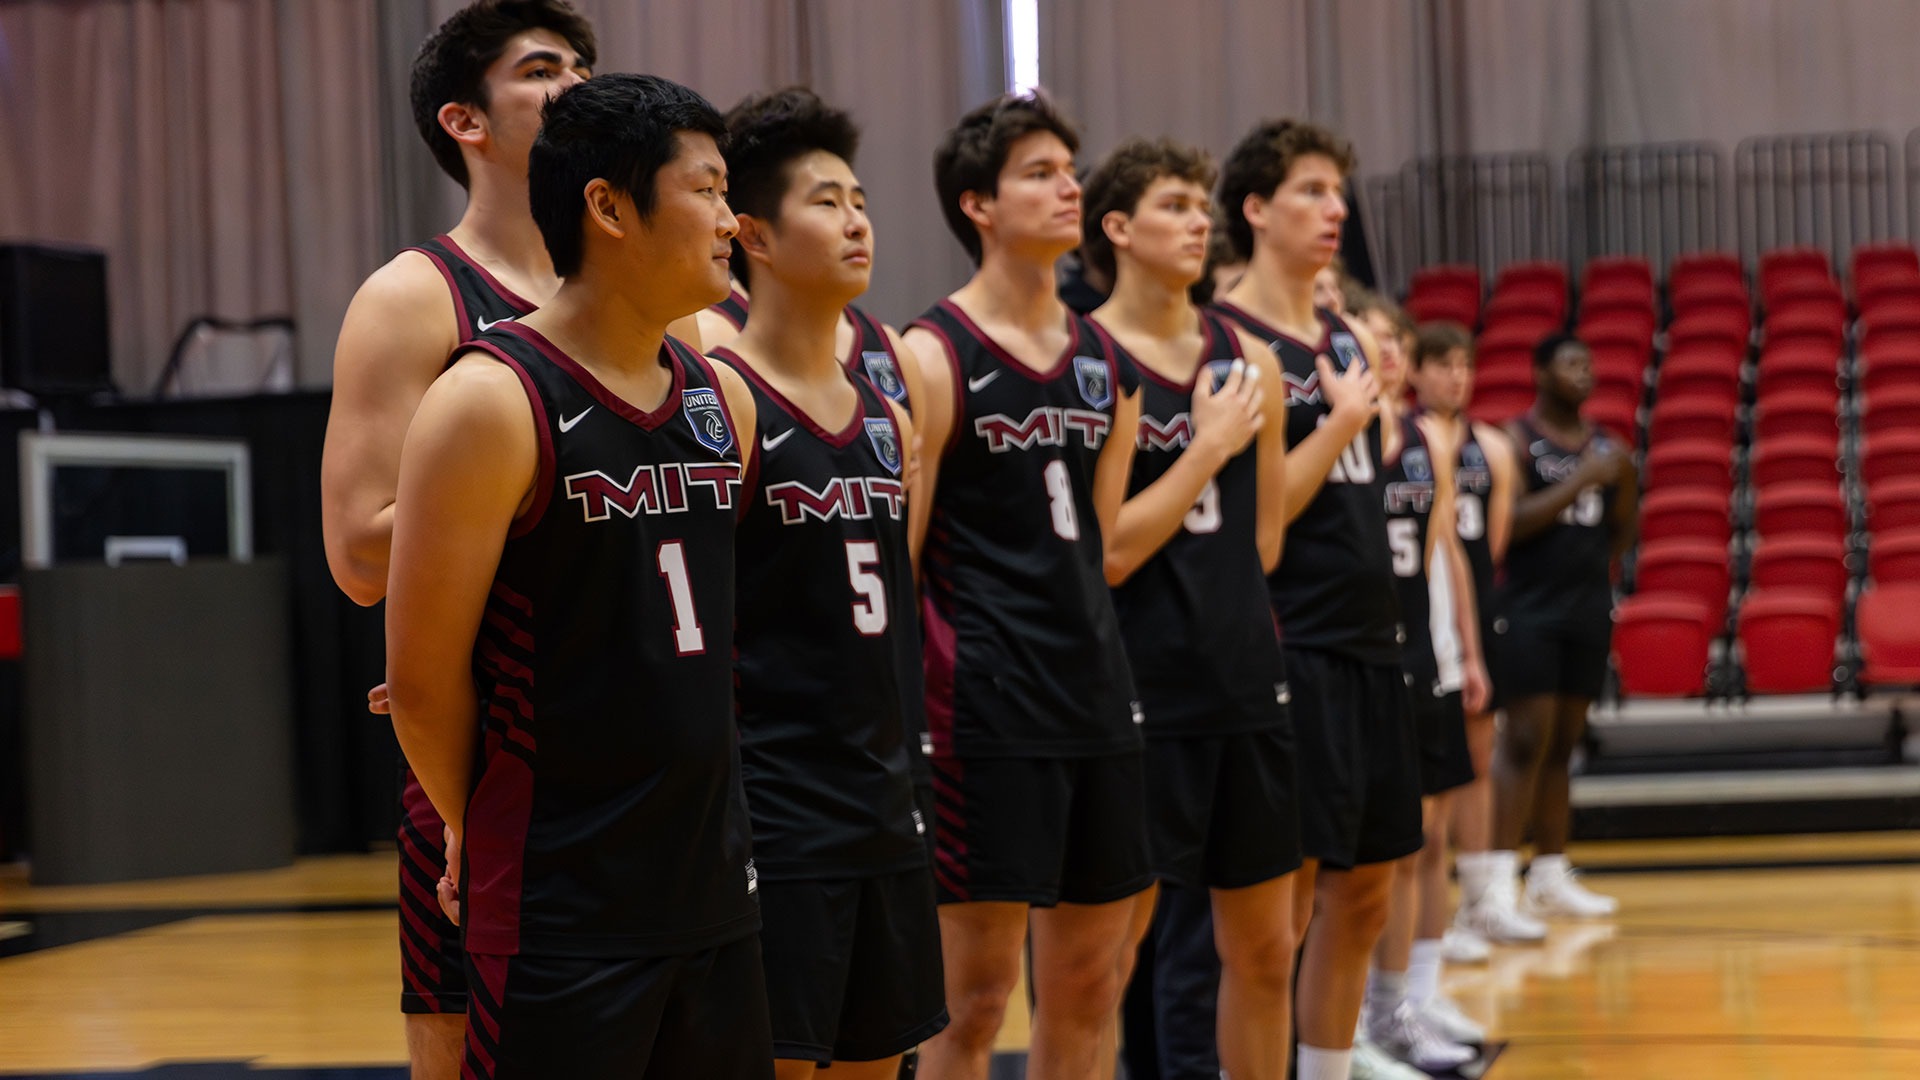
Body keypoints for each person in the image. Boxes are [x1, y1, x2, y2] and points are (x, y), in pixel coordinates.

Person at [384, 73, 771, 1077]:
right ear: (608, 207)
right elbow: (422, 685)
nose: (734, 220)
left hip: (715, 895)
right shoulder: (488, 401)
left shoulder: (718, 397)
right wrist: (485, 833)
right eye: (709, 190)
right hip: (564, 909)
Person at [318, 5, 596, 1073]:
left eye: (584, 66)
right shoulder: (414, 297)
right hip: (490, 757)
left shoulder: (645, 301)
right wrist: (522, 497)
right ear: (465, 121)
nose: (574, 84)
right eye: (541, 70)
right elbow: (354, 554)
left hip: (652, 745)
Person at [901, 91, 1149, 1080]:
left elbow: (1105, 541)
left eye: (1069, 170)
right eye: (1039, 173)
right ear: (977, 204)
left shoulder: (1103, 360)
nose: (1067, 187)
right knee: (975, 998)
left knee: (1091, 983)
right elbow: (901, 548)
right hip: (982, 711)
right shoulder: (930, 355)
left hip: (1094, 695)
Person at [713, 86, 949, 1079]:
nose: (856, 221)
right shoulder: (724, 400)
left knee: (878, 1063)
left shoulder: (889, 417)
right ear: (752, 237)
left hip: (885, 800)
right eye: (825, 202)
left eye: (859, 199)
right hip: (778, 809)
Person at [1211, 119, 1422, 1080]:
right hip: (1291, 648)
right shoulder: (1230, 342)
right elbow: (1263, 520)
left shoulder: (1339, 333)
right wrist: (1340, 423)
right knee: (1274, 925)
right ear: (1255, 208)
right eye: (1309, 190)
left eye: (1339, 192)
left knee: (1368, 893)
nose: (1334, 208)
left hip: (1373, 644)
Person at [1082, 137, 1296, 1080]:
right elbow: (1112, 550)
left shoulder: (1251, 359)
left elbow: (1265, 543)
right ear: (1118, 229)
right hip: (1142, 687)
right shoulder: (1089, 361)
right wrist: (1205, 449)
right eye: (1174, 205)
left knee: (1263, 949)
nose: (1199, 221)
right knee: (1134, 956)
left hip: (1245, 681)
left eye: (1202, 205)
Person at [1350, 296, 1487, 1075]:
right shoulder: (1336, 439)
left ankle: (1410, 997)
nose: (1393, 351)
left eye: (1400, 341)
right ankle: (1365, 1015)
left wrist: (1466, 651)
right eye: (1379, 340)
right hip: (1364, 658)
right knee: (1378, 854)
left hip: (1424, 655)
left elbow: (1447, 557)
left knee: (1426, 843)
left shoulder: (1424, 442)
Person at [1404, 322, 1544, 947]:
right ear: (1415, 371)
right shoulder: (1408, 442)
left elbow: (1492, 543)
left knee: (1479, 757)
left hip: (1475, 608)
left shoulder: (1491, 447)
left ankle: (1485, 896)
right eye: (1441, 365)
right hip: (1419, 605)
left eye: (1464, 365)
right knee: (1433, 770)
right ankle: (1431, 912)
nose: (1455, 377)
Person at [1491, 334, 1638, 920]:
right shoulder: (1514, 441)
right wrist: (1582, 480)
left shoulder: (1609, 447)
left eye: (1589, 362)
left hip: (1585, 608)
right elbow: (1509, 525)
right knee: (1524, 741)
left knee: (1563, 746)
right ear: (1539, 371)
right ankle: (1495, 883)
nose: (1584, 373)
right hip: (1527, 608)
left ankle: (1549, 874)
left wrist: (1622, 482)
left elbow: (1619, 536)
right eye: (1570, 363)